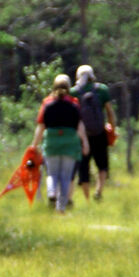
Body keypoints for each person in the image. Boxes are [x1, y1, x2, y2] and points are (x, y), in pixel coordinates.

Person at [31, 73, 89, 214]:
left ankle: (52, 194)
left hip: (51, 142)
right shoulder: (74, 103)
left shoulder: (47, 103)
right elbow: (80, 126)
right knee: (65, 177)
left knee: (52, 174)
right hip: (70, 143)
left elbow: (41, 126)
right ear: (69, 88)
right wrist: (85, 143)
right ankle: (60, 208)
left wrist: (34, 144)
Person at [72, 64, 116, 201]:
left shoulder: (73, 92)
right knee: (102, 165)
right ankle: (98, 190)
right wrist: (112, 129)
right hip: (99, 133)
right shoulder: (102, 90)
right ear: (92, 76)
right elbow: (110, 112)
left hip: (81, 135)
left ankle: (86, 199)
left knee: (83, 167)